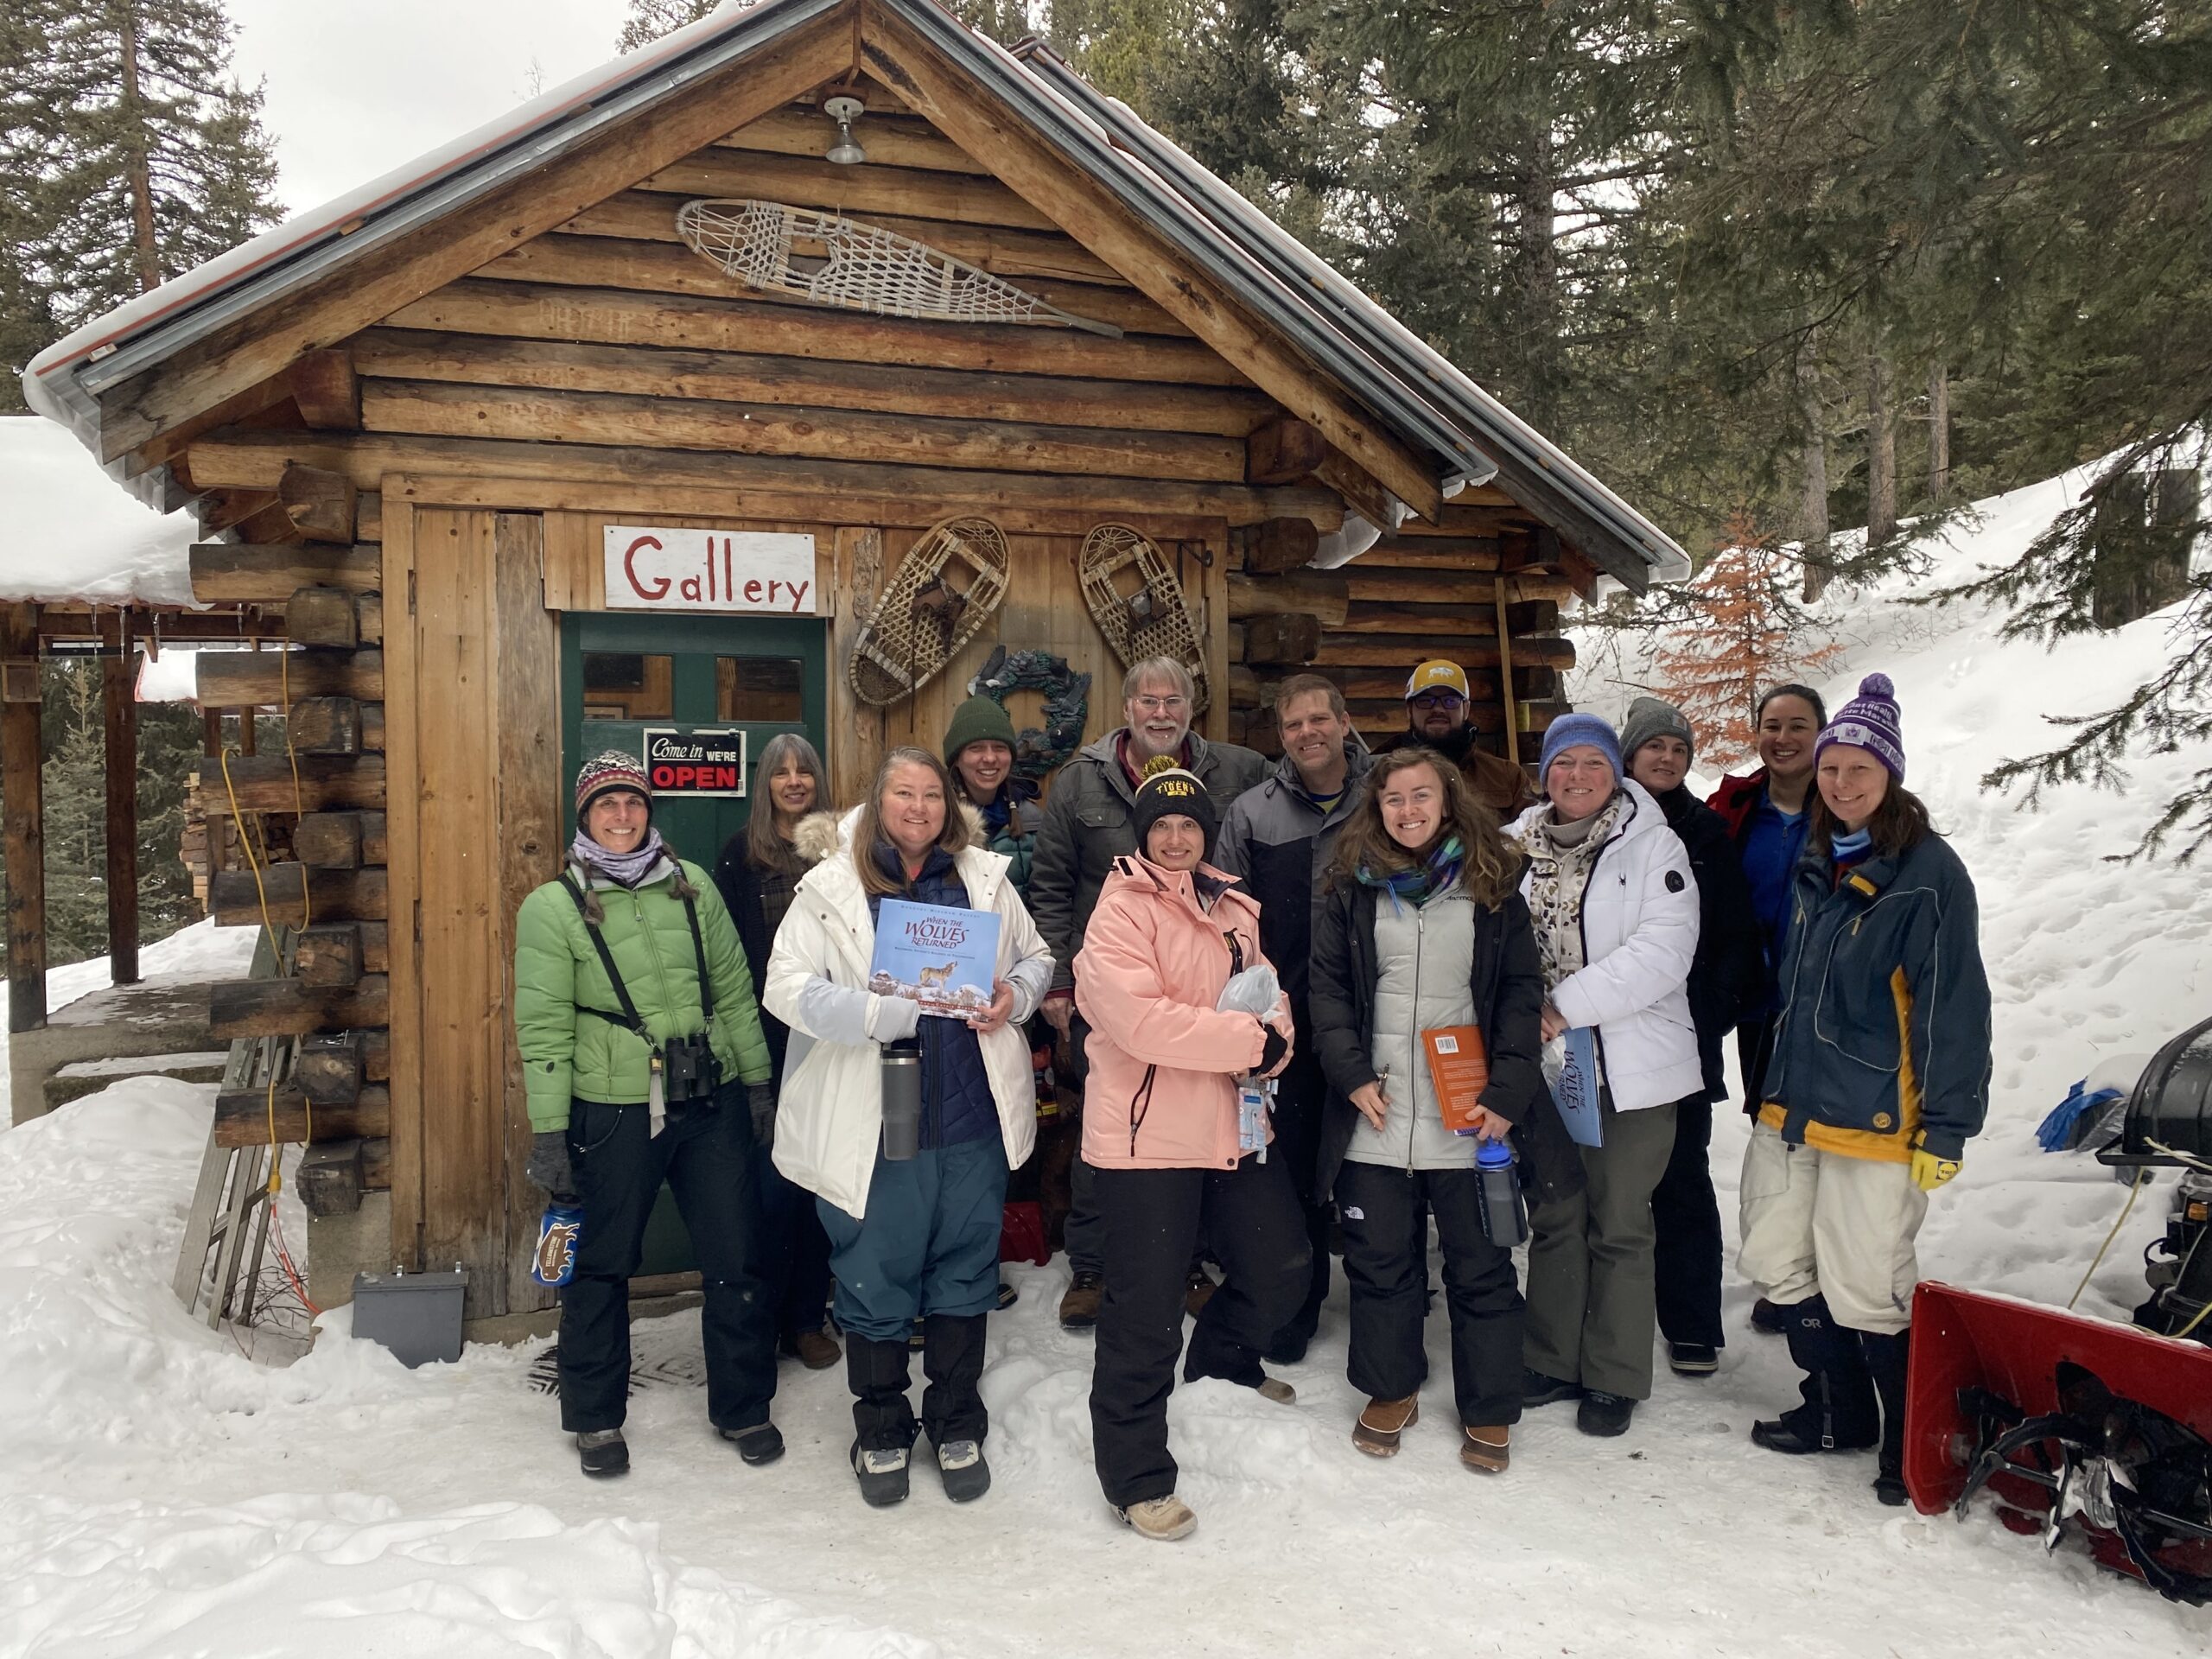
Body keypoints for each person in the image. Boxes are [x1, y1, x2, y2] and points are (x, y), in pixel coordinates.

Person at [761, 747, 1053, 1508]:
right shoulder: (831, 888)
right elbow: (784, 986)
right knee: (875, 1274)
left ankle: (957, 1421)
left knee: (965, 1271)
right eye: (903, 792)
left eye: (932, 795)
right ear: (878, 800)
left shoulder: (983, 880)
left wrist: (1013, 998)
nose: (919, 807)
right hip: (876, 1122)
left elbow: (1038, 959)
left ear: (949, 806)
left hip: (969, 1117)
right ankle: (882, 1428)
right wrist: (868, 1014)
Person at [1740, 674, 1991, 1506]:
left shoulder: (1927, 873)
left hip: (1879, 1119)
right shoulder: (1820, 853)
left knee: (1867, 1284)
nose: (1842, 784)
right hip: (1793, 1104)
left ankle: (1907, 1433)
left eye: (1861, 771)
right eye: (1832, 769)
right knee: (1776, 1257)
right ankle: (1837, 1410)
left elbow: (1954, 1005)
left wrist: (1948, 1128)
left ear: (1891, 775)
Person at [515, 753, 780, 1478]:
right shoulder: (553, 908)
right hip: (614, 1107)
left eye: (633, 803)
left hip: (710, 1095)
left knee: (737, 1257)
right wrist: (550, 1132)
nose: (623, 817)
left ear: (649, 810)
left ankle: (744, 1404)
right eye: (607, 806)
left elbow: (732, 991)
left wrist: (756, 1084)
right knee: (602, 1265)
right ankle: (597, 1418)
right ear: (585, 817)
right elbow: (542, 1028)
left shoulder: (693, 887)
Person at [1308, 751, 1563, 1471]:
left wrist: (1507, 1093)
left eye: (1422, 795)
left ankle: (1489, 1406)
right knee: (1381, 1264)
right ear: (1377, 808)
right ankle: (1391, 1390)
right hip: (1377, 1111)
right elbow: (1326, 993)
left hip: (1468, 1113)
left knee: (1481, 1267)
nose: (1408, 810)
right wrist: (1350, 1073)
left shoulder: (1491, 889)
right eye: (1394, 799)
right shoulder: (1352, 890)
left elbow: (1519, 993)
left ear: (1448, 801)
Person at [1075, 759, 1304, 1541]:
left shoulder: (1235, 905)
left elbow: (1270, 994)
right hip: (1149, 1138)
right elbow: (1143, 1023)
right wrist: (1250, 1039)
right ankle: (1136, 1476)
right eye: (1162, 826)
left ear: (1206, 833)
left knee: (1281, 1264)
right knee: (1144, 1312)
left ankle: (1224, 1360)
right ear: (1144, 836)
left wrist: (1279, 1038)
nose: (1176, 839)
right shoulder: (1121, 911)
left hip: (1232, 1123)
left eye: (1189, 826)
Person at [1028, 657, 1268, 1330]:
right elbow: (1049, 885)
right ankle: (1095, 1264)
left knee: (1193, 1116)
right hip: (1109, 984)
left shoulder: (1235, 771)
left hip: (1203, 981)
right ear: (1127, 707)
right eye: (1147, 701)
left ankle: (1182, 1260)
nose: (1160, 713)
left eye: (1174, 701)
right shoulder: (1081, 782)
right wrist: (1058, 978)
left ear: (1192, 709)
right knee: (1109, 1119)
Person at [1509, 714, 1701, 1437]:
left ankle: (1614, 1374)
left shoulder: (1653, 846)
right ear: (1546, 774)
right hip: (1545, 1066)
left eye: (1594, 763)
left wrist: (1562, 1005)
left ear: (1615, 772)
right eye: (1565, 765)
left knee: (1619, 1219)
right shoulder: (1513, 846)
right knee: (1557, 1211)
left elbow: (1662, 951)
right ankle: (1551, 1357)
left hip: (1630, 1064)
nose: (1579, 777)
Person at [1214, 673, 1372, 1363]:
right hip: (1292, 1024)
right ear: (1280, 739)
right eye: (1292, 726)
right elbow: (1222, 925)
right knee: (1298, 1163)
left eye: (1318, 719)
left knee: (1374, 1167)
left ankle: (1383, 1311)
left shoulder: (1385, 799)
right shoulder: (1252, 815)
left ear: (1343, 721)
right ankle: (1299, 1304)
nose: (1306, 734)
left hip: (1375, 1016)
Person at [1618, 697, 1764, 1378]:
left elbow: (1735, 936)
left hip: (1683, 1034)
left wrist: (1709, 1008)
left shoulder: (1706, 834)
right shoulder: (1602, 822)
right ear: (1630, 755)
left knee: (1681, 1179)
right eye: (1655, 747)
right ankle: (1603, 1311)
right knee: (1605, 1183)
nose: (1667, 757)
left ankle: (1692, 1323)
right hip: (1602, 1033)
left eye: (1678, 748)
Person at [711, 733, 841, 1370]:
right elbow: (732, 962)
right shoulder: (741, 855)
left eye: (805, 772)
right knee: (768, 1191)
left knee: (821, 1185)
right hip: (768, 1042)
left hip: (833, 1041)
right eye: (780, 773)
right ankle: (760, 1319)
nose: (794, 782)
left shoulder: (842, 854)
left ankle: (807, 1317)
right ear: (763, 785)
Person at [1707, 684, 1827, 1337]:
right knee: (1774, 1131)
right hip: (1758, 1006)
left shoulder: (1845, 805)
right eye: (1772, 725)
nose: (1783, 738)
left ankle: (1827, 1273)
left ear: (1821, 731)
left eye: (1798, 726)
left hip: (1827, 1009)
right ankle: (1792, 1279)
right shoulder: (1737, 809)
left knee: (1826, 1140)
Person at [1376, 658, 1537, 819]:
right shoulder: (1378, 772)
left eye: (1450, 701)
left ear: (1466, 709)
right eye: (1425, 701)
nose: (1438, 709)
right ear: (1409, 711)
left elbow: (1531, 838)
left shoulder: (1507, 777)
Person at [944, 694, 1040, 894]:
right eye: (976, 748)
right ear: (957, 759)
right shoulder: (937, 819)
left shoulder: (1033, 819)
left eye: (999, 748)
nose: (989, 758)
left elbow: (1047, 892)